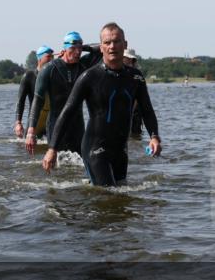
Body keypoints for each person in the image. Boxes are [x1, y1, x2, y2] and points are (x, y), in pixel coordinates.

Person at [43, 23, 160, 185]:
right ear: (101, 47)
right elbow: (67, 112)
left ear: (125, 45)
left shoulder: (136, 77)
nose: (112, 46)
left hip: (121, 150)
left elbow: (147, 109)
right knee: (108, 193)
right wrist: (52, 149)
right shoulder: (89, 77)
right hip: (95, 148)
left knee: (120, 197)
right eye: (107, 43)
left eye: (117, 41)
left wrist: (154, 137)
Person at [25, 31, 99, 155]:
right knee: (57, 164)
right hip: (55, 125)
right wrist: (31, 131)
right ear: (64, 48)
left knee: (79, 165)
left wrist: (84, 47)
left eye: (79, 49)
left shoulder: (83, 65)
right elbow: (37, 101)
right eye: (72, 48)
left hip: (78, 126)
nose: (77, 52)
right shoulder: (49, 69)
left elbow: (102, 49)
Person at [14, 45, 53, 138]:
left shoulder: (55, 75)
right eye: (48, 57)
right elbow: (20, 101)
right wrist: (18, 122)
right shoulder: (29, 76)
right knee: (28, 146)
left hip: (50, 118)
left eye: (52, 57)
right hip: (36, 119)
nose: (51, 59)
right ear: (39, 59)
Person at [122, 48, 145, 139]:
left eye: (128, 58)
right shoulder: (120, 70)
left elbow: (138, 94)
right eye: (125, 57)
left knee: (135, 135)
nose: (126, 60)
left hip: (134, 109)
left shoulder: (136, 73)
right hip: (124, 108)